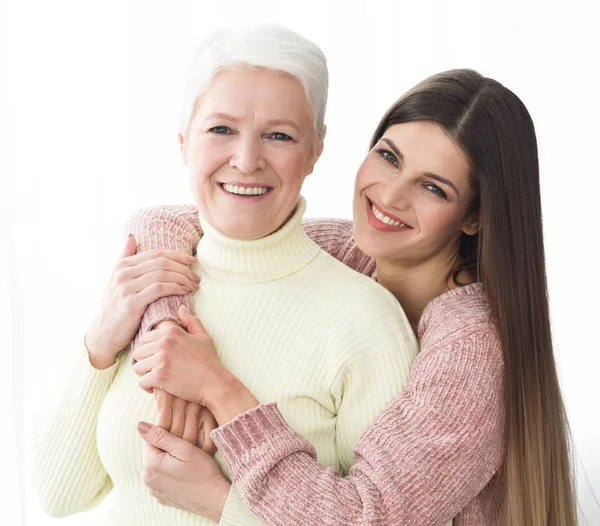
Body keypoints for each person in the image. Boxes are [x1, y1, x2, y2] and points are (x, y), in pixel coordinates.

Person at [129, 68, 577, 525]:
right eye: (389, 157)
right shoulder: (345, 253)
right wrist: (166, 335)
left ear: (474, 218)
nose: (390, 195)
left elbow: (366, 517)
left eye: (432, 187)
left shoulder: (471, 351)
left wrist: (216, 392)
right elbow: (164, 222)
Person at [33, 25, 419, 526]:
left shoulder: (365, 320)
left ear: (316, 151)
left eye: (279, 135)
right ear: (183, 141)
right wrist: (99, 346)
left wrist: (222, 503)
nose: (245, 160)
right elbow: (58, 495)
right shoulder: (150, 286)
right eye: (221, 130)